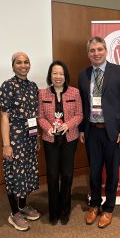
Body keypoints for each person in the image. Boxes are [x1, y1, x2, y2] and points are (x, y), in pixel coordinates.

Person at [78, 36, 120, 228]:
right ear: (88, 54)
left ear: (106, 50)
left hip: (113, 133)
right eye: (92, 50)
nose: (96, 53)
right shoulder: (83, 74)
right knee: (94, 171)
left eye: (100, 49)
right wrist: (82, 129)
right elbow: (83, 105)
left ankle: (109, 208)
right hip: (92, 131)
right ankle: (94, 204)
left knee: (112, 172)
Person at [0, 52, 40, 231]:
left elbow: (34, 116)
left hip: (30, 138)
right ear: (13, 66)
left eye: (26, 62)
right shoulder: (7, 86)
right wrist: (6, 145)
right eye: (19, 62)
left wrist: (36, 137)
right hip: (15, 139)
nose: (23, 65)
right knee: (14, 175)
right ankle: (14, 213)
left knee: (27, 173)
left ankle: (23, 205)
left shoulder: (33, 87)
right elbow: (4, 117)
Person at [38, 60, 83, 225]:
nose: (58, 76)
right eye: (55, 73)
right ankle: (53, 211)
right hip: (50, 140)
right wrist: (47, 127)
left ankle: (65, 210)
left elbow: (79, 115)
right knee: (51, 175)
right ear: (50, 75)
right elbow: (40, 116)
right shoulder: (42, 93)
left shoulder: (74, 92)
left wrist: (67, 125)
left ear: (66, 76)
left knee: (67, 174)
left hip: (69, 139)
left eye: (61, 73)